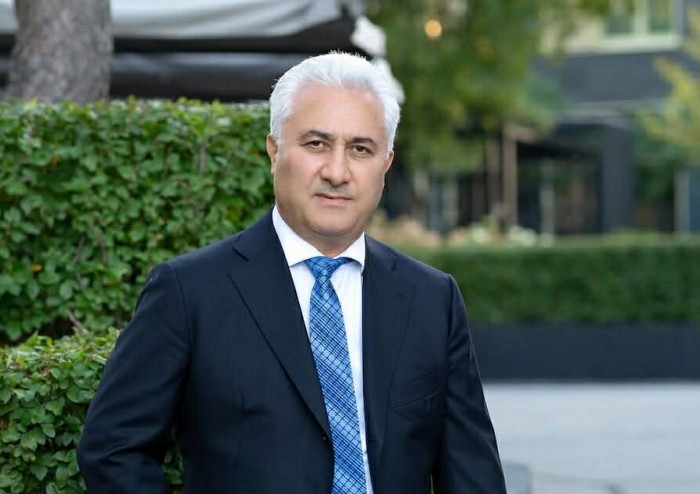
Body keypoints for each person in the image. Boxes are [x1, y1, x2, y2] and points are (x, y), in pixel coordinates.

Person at [77, 52, 506, 494]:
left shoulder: (431, 299)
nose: (337, 172)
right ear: (274, 150)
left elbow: (473, 473)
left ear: (386, 164)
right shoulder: (190, 293)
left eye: (360, 149)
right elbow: (113, 449)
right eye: (316, 144)